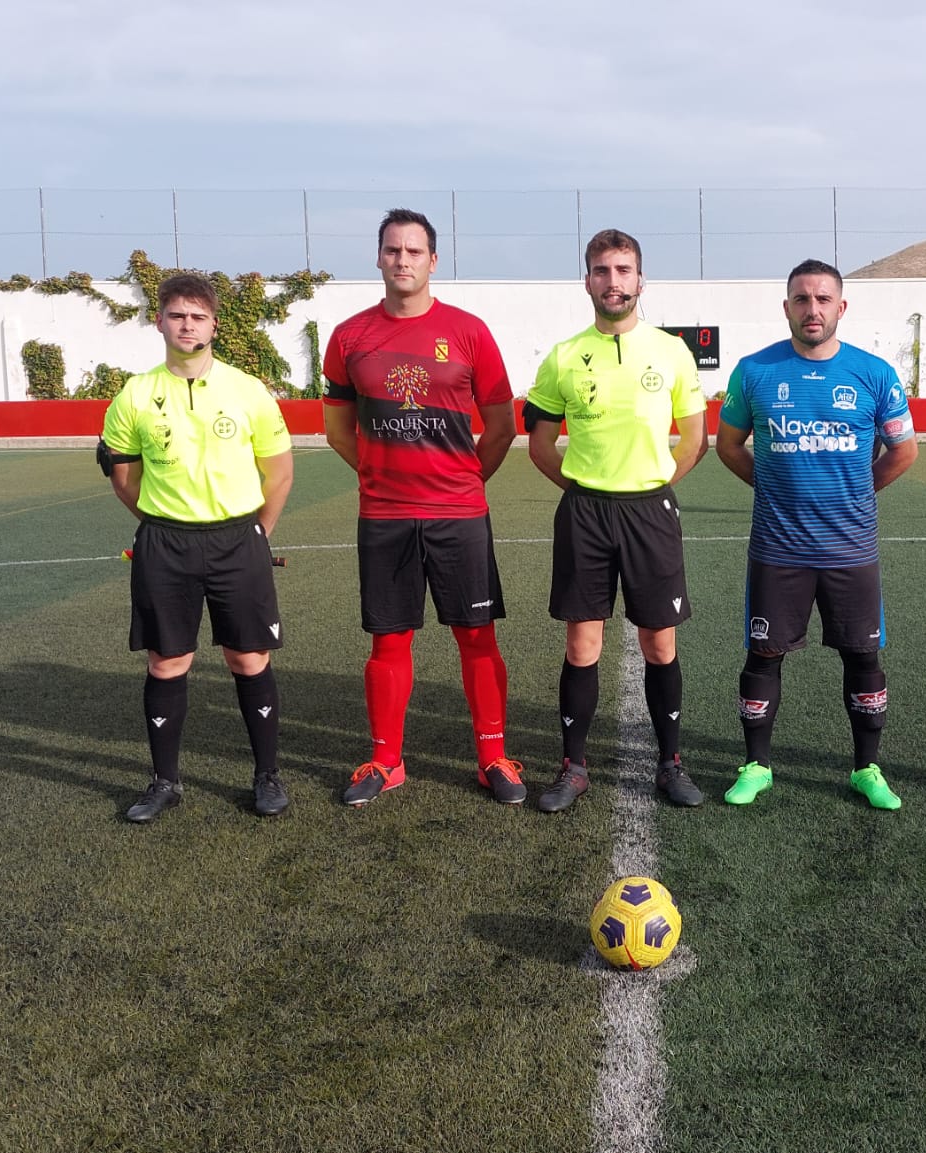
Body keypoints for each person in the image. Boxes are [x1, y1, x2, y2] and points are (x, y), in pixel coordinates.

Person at [322, 209, 525, 806]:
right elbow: (338, 430)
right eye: (392, 250)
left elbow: (500, 425)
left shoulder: (468, 331)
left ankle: (493, 756)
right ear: (379, 257)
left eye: (414, 251)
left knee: (477, 635)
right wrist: (380, 473)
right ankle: (386, 761)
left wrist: (463, 478)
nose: (402, 260)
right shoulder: (349, 337)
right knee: (388, 641)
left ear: (433, 260)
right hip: (384, 516)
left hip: (458, 514)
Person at [714, 259, 918, 810]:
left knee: (864, 659)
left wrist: (859, 490)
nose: (813, 309)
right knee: (763, 655)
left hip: (851, 551)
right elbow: (728, 445)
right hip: (778, 551)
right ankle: (755, 766)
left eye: (823, 299)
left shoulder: (874, 374)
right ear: (786, 307)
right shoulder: (753, 372)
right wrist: (771, 485)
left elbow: (904, 450)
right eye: (802, 299)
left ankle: (867, 769)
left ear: (841, 308)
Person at [98, 272, 296, 823]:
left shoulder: (248, 390)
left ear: (215, 325)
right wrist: (161, 522)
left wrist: (259, 532)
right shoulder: (136, 394)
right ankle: (164, 782)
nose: (188, 325)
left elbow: (278, 473)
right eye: (178, 315)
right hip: (166, 544)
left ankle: (266, 776)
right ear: (159, 320)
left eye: (198, 316)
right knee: (168, 662)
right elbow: (122, 476)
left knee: (248, 657)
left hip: (239, 540)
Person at [524, 228, 708, 813]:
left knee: (659, 643)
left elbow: (695, 438)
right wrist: (583, 487)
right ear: (587, 281)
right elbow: (541, 443)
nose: (613, 281)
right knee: (583, 644)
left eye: (623, 270)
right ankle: (573, 767)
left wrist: (653, 488)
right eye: (602, 270)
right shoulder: (563, 356)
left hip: (650, 511)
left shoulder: (672, 351)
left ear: (640, 279)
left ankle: (670, 763)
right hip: (585, 513)